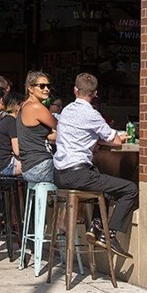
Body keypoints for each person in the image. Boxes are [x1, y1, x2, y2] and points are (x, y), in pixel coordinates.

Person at [53, 72, 137, 259]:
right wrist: (116, 137)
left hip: (59, 174)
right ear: (95, 93)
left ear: (75, 90)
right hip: (77, 174)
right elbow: (115, 141)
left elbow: (81, 135)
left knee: (102, 180)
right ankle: (111, 235)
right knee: (130, 189)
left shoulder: (66, 110)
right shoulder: (92, 115)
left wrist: (95, 142)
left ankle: (96, 226)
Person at [16, 70, 58, 183]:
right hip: (41, 166)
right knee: (77, 174)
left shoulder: (23, 106)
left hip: (29, 167)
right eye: (42, 86)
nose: (46, 89)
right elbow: (62, 127)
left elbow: (41, 135)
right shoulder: (36, 107)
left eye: (48, 86)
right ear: (30, 88)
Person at [0, 91, 24, 176]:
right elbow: (17, 151)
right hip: (4, 165)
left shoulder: (4, 120)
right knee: (36, 165)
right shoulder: (12, 122)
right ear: (18, 107)